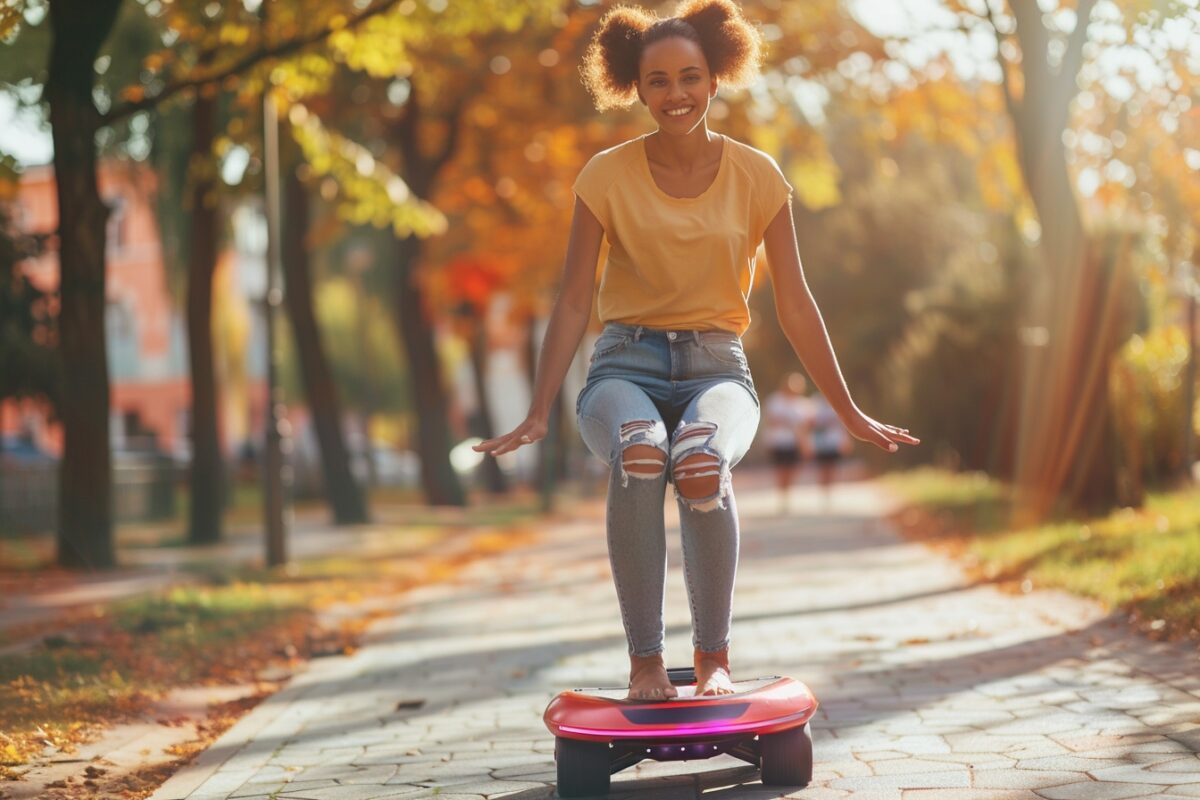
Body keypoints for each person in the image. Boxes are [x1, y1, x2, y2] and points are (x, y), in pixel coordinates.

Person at [474, 0, 919, 700]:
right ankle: (646, 663)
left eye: (689, 77)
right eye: (657, 81)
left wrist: (849, 411)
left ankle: (714, 658)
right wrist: (536, 412)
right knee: (642, 448)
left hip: (718, 365)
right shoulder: (605, 176)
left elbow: (796, 304)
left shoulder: (759, 176)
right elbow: (570, 302)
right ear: (636, 87)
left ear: (716, 79)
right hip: (625, 363)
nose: (675, 94)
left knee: (703, 458)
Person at [763, 372, 815, 513]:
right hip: (778, 442)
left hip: (795, 443)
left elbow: (807, 425)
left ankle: (787, 494)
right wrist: (790, 424)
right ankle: (783, 497)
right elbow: (771, 420)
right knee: (781, 469)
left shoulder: (804, 404)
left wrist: (806, 443)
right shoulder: (775, 400)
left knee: (792, 469)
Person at [806, 390, 854, 507]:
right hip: (820, 442)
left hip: (834, 441)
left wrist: (846, 440)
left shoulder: (838, 402)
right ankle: (824, 493)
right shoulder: (815, 402)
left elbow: (843, 423)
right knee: (822, 468)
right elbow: (809, 423)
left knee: (832, 467)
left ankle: (830, 493)